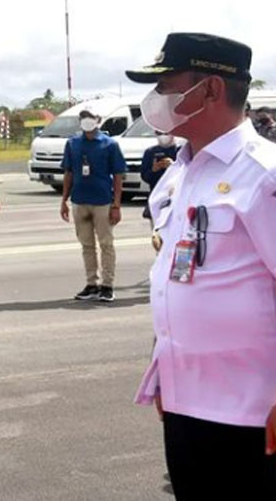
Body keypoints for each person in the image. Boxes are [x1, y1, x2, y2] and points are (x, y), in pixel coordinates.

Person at [126, 33, 276, 498]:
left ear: (210, 89)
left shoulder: (263, 173)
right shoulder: (182, 171)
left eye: (167, 85)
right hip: (187, 405)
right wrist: (162, 369)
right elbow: (175, 279)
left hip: (254, 413)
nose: (157, 100)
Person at [59, 110, 128, 303]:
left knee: (106, 243)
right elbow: (68, 173)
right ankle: (92, 283)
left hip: (103, 201)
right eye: (83, 119)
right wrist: (63, 200)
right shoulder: (72, 144)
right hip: (79, 201)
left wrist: (116, 205)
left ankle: (107, 285)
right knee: (86, 245)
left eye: (90, 118)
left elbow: (118, 175)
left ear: (97, 121)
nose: (87, 122)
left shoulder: (109, 144)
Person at [139, 132, 178, 222]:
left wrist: (173, 166)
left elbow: (186, 173)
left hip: (175, 197)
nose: (163, 136)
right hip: (156, 195)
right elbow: (145, 176)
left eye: (166, 133)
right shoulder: (150, 152)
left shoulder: (180, 151)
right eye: (159, 133)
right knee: (156, 232)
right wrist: (154, 170)